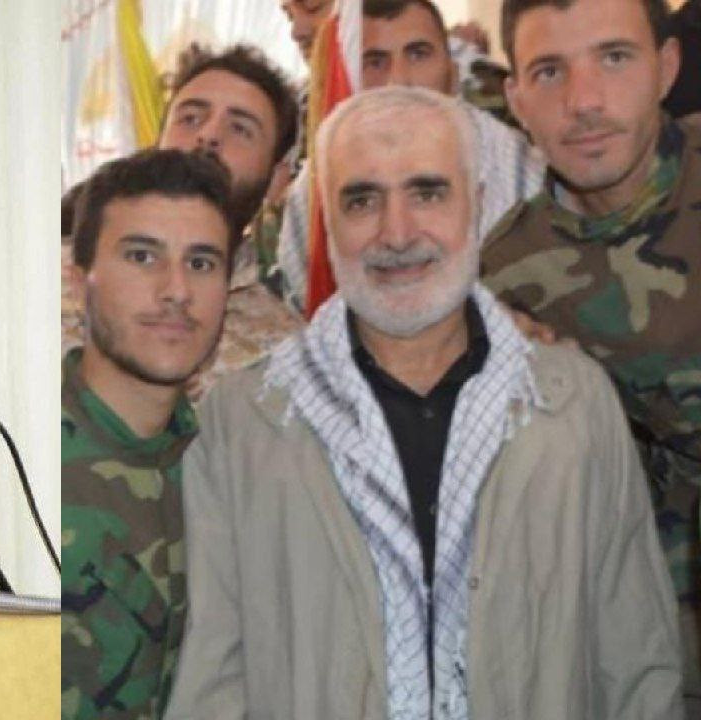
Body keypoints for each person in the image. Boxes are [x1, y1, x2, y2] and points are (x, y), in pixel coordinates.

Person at [167, 86, 681, 719]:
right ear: (327, 224)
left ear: (479, 207)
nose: (397, 233)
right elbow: (213, 676)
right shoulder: (243, 420)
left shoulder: (574, 405)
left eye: (428, 192)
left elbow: (636, 662)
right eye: (362, 200)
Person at [478, 0, 701, 706]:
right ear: (516, 99)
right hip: (649, 649)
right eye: (549, 72)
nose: (584, 102)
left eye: (614, 58)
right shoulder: (504, 278)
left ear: (667, 67)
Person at [61, 149, 237, 719]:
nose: (176, 290)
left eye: (202, 262)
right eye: (142, 256)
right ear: (78, 280)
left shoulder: (231, 471)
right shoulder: (27, 461)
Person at [275, 0, 545, 317]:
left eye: (418, 54)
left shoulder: (516, 167)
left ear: (453, 75)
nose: (399, 81)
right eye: (375, 62)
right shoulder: (314, 190)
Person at [62, 44, 302, 400]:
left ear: (277, 178)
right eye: (190, 118)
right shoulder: (47, 280)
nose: (209, 135)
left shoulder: (286, 352)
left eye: (240, 128)